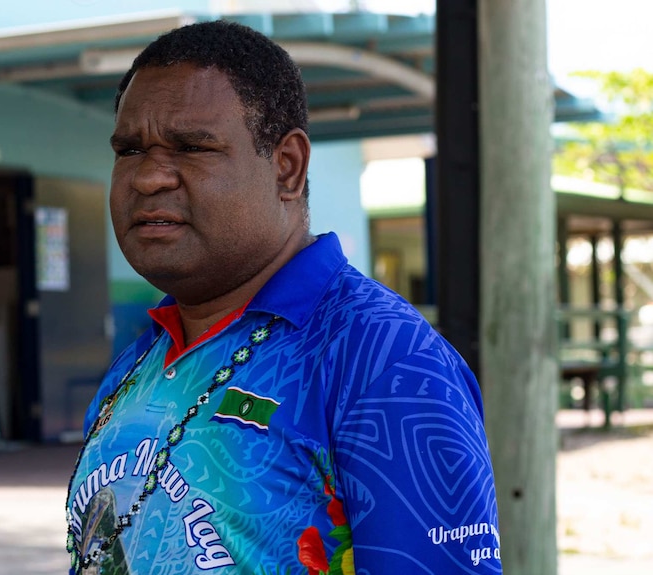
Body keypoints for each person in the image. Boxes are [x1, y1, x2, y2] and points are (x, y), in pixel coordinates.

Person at [66, 20, 502, 575]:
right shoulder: (138, 365)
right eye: (129, 150)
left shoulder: (382, 360)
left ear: (287, 167)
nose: (149, 176)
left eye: (192, 147)